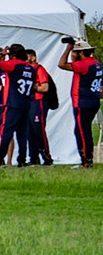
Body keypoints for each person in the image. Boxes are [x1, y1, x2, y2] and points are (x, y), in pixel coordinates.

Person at [59, 36, 101, 166]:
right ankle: (87, 160)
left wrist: (68, 49)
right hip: (94, 100)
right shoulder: (96, 64)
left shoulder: (83, 65)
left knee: (82, 132)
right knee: (84, 130)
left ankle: (86, 162)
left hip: (82, 102)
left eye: (75, 52)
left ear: (81, 53)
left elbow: (62, 64)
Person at [0, 44, 37, 167]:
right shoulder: (31, 68)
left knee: (6, 132)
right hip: (26, 103)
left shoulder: (13, 64)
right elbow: (33, 86)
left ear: (12, 55)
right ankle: (22, 160)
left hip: (12, 103)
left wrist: (1, 54)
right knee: (22, 134)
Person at [27, 49, 54, 165]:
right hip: (30, 102)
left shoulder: (39, 69)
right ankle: (33, 158)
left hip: (39, 102)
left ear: (33, 58)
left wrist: (32, 87)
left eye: (27, 57)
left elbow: (44, 87)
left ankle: (47, 156)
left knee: (39, 129)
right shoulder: (27, 71)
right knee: (29, 131)